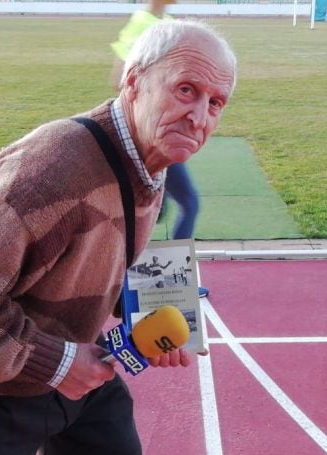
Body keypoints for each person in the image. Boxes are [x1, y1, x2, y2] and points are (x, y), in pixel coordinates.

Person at [0, 20, 236, 455]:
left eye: (215, 103)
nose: (198, 117)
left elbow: (107, 255)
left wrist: (149, 314)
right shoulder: (52, 170)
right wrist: (58, 362)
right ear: (134, 82)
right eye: (186, 90)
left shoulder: (151, 158)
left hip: (71, 353)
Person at [111, 0, 209, 298]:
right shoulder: (144, 24)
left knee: (157, 209)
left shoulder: (163, 20)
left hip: (158, 134)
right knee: (186, 203)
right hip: (153, 138)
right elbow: (119, 77)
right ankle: (169, 281)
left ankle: (133, 279)